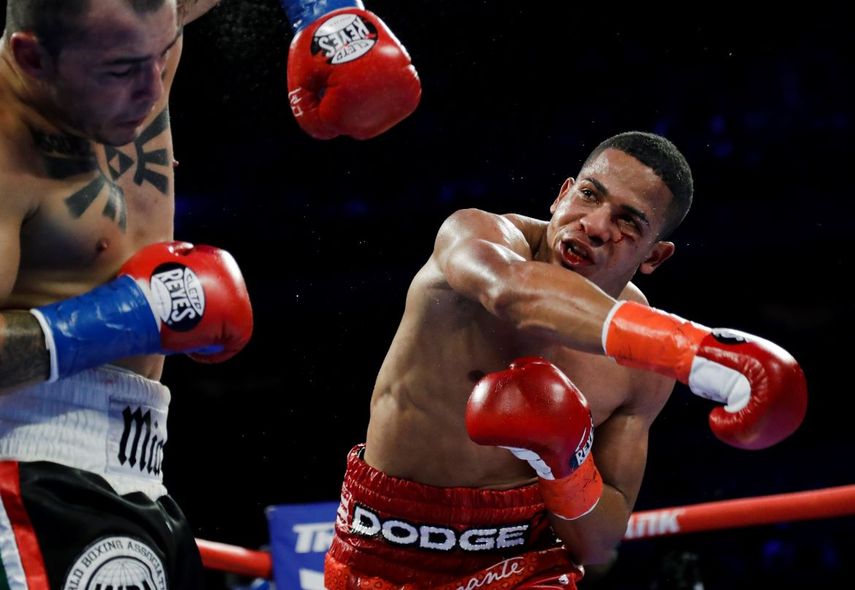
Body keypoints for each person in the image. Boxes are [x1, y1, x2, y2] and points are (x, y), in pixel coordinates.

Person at [0, 0, 418, 587]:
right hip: (30, 467)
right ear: (31, 57)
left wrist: (325, 12)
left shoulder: (132, 29)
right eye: (121, 70)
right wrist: (131, 317)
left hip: (136, 468)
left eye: (164, 53)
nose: (152, 89)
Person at [324, 131, 808, 589]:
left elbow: (596, 544)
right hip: (383, 548)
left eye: (628, 221)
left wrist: (568, 467)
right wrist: (692, 353)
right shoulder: (474, 236)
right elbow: (511, 293)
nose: (595, 226)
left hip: (522, 561)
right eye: (590, 196)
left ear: (654, 256)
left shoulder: (639, 370)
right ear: (562, 195)